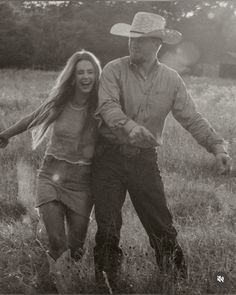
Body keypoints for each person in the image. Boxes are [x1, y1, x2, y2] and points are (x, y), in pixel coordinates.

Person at [92, 12, 231, 291]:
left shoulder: (171, 79)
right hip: (109, 157)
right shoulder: (113, 70)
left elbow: (191, 117)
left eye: (141, 41)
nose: (133, 44)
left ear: (157, 44)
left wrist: (217, 146)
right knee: (107, 227)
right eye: (132, 39)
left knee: (161, 226)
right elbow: (106, 106)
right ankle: (107, 283)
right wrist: (129, 127)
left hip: (144, 160)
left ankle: (176, 281)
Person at [0, 50, 102, 293]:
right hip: (51, 177)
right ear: (73, 76)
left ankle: (68, 277)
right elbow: (31, 119)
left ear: (97, 75)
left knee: (76, 248)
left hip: (82, 184)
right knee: (58, 242)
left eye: (90, 72)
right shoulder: (60, 102)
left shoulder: (102, 106)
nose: (86, 77)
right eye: (80, 72)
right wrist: (4, 135)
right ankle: (61, 288)